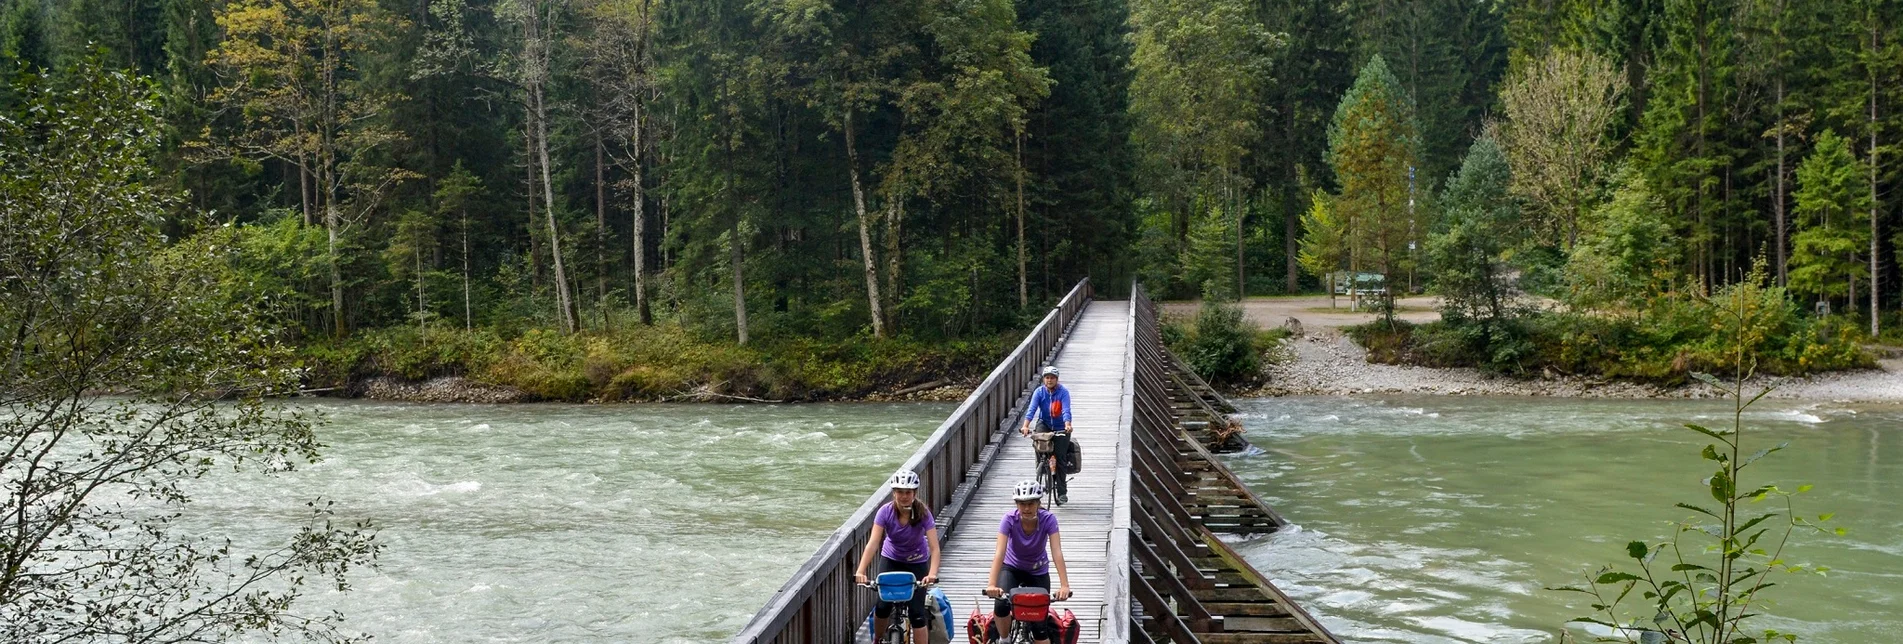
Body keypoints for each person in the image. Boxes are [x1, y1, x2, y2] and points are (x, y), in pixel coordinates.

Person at [854, 469, 942, 643]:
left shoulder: (923, 513)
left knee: (917, 614)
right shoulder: (885, 512)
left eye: (908, 492)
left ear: (914, 493)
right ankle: (878, 639)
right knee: (882, 606)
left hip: (917, 562)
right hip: (891, 559)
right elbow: (873, 543)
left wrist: (931, 574)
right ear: (894, 493)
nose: (904, 496)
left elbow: (935, 548)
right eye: (900, 492)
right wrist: (861, 571)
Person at [982, 481, 1071, 644]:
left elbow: (1057, 552)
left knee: (1040, 628)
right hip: (1011, 567)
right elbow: (999, 553)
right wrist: (992, 585)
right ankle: (1005, 639)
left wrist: (1064, 585)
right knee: (1001, 605)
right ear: (1016, 504)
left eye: (1031, 504)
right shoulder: (1009, 519)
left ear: (1038, 503)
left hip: (1038, 570)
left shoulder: (1048, 519)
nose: (1027, 508)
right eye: (1022, 504)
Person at [1020, 365, 1073, 504]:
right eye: (1047, 378)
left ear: (1057, 379)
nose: (1049, 380)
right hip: (1044, 423)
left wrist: (1067, 424)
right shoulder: (1039, 392)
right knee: (1039, 447)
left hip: (1061, 427)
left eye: (1052, 378)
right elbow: (1031, 410)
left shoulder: (1063, 392)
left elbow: (1066, 410)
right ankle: (1042, 468)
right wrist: (1025, 426)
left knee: (1060, 458)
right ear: (1044, 379)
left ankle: (1062, 492)